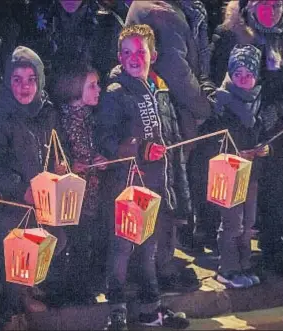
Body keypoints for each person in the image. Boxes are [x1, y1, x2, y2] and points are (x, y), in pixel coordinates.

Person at [97, 24, 191, 330]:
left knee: (149, 248)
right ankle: (116, 312)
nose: (134, 58)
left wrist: (176, 179)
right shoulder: (115, 93)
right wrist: (139, 149)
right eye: (127, 53)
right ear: (118, 57)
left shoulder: (160, 89)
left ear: (154, 54)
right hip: (127, 186)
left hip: (156, 184)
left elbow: (170, 134)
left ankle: (151, 309)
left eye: (141, 51)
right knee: (122, 248)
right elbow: (106, 140)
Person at [210, 0, 283, 276]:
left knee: (276, 192)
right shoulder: (231, 33)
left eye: (275, 4)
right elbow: (214, 76)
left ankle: (273, 252)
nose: (269, 10)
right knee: (238, 201)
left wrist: (276, 111)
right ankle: (234, 260)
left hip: (277, 131)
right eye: (262, 3)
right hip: (239, 128)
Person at [0, 45, 68, 327]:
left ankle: (29, 288)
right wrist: (21, 189)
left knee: (52, 242)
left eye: (31, 79)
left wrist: (59, 167)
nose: (24, 86)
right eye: (17, 79)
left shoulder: (47, 111)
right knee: (18, 251)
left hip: (42, 198)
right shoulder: (1, 117)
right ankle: (15, 304)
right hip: (14, 201)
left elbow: (53, 148)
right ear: (8, 82)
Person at [125, 0, 216, 256]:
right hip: (169, 109)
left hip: (167, 106)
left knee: (167, 188)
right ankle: (158, 264)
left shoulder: (180, 9)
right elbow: (177, 70)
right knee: (164, 189)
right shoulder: (160, 12)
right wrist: (205, 106)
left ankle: (162, 258)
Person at [209, 44, 269, 288]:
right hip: (230, 173)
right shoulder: (221, 100)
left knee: (248, 222)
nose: (243, 79)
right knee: (232, 222)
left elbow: (263, 132)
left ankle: (245, 264)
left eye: (249, 74)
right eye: (238, 74)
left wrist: (265, 147)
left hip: (252, 173)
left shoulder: (259, 101)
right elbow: (216, 137)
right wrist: (235, 152)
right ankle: (228, 267)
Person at [51, 62, 108, 304]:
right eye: (92, 86)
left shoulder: (90, 118)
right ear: (75, 89)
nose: (98, 90)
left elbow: (96, 146)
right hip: (70, 196)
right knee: (73, 243)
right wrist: (70, 165)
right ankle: (69, 292)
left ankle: (83, 288)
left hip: (91, 190)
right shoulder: (61, 119)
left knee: (87, 241)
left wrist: (102, 159)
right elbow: (55, 152)